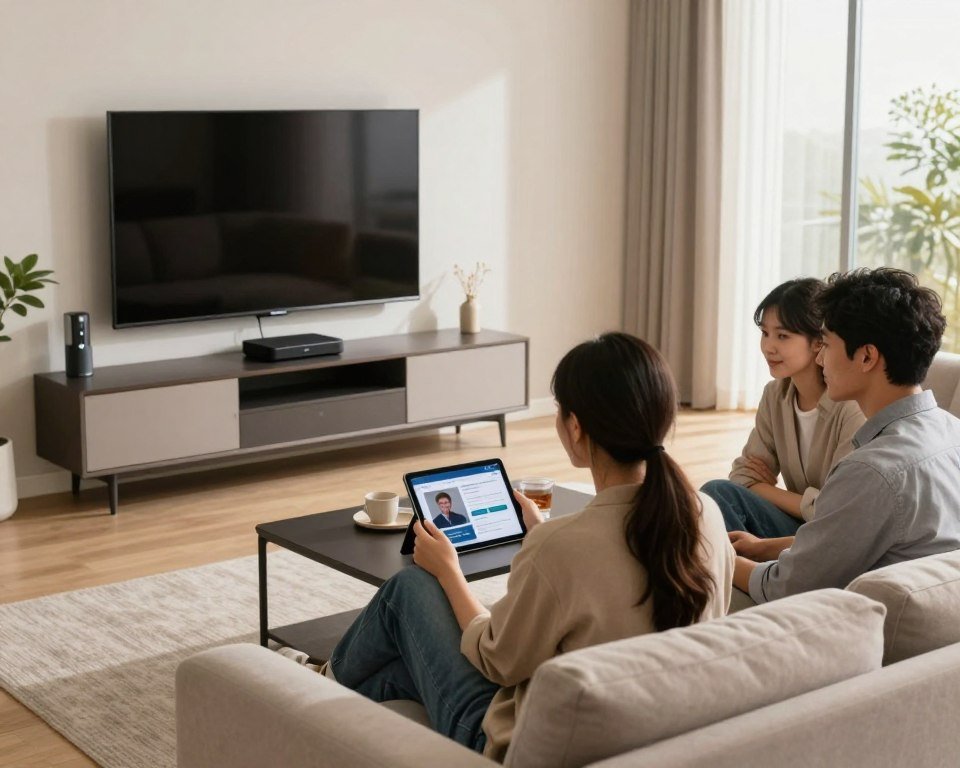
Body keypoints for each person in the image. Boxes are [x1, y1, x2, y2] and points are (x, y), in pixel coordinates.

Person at [321, 333, 734, 760]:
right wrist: (541, 537)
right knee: (395, 672)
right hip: (651, 728)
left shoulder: (560, 548)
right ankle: (319, 695)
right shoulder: (706, 514)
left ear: (575, 426)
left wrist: (449, 571)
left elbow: (497, 660)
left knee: (409, 590)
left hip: (517, 742)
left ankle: (307, 687)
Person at [732, 268, 960, 604]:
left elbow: (783, 587)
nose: (820, 358)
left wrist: (715, 557)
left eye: (825, 344)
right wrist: (761, 546)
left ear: (867, 356)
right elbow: (862, 538)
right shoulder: (951, 430)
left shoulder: (871, 470)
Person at [702, 278, 865, 537]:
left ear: (818, 342)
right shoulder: (774, 395)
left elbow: (835, 509)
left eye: (782, 336)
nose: (768, 347)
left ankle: (740, 572)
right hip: (794, 528)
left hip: (832, 537)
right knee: (714, 498)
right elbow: (743, 475)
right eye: (765, 333)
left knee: (718, 497)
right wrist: (803, 503)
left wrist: (767, 490)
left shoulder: (851, 408)